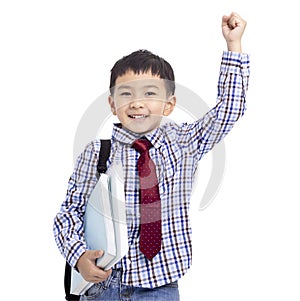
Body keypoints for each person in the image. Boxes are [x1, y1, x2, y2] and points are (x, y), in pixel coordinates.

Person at [53, 12, 250, 301]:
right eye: (125, 94)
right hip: (102, 286)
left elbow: (229, 109)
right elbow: (68, 213)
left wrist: (234, 46)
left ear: (169, 105)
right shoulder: (98, 152)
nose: (137, 103)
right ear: (112, 103)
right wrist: (79, 256)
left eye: (149, 93)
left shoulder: (184, 143)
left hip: (160, 287)